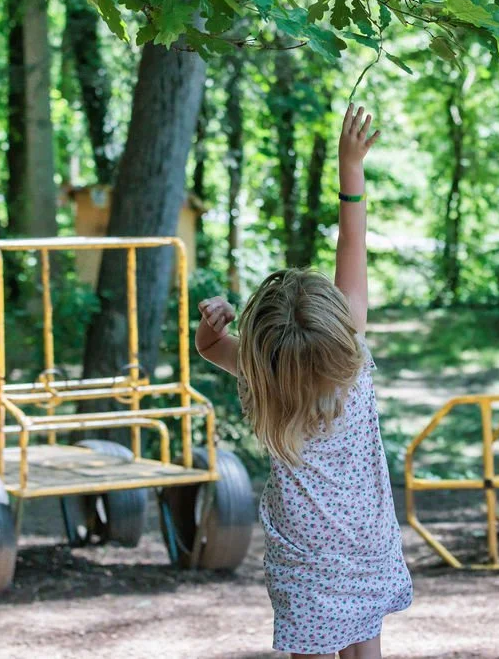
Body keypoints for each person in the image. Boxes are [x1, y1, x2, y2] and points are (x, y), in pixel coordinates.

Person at [195, 106, 411, 659]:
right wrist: (350, 167)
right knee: (366, 652)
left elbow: (211, 349)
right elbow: (352, 244)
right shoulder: (351, 360)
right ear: (339, 325)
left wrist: (210, 327)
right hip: (367, 543)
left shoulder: (267, 374)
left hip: (305, 553)